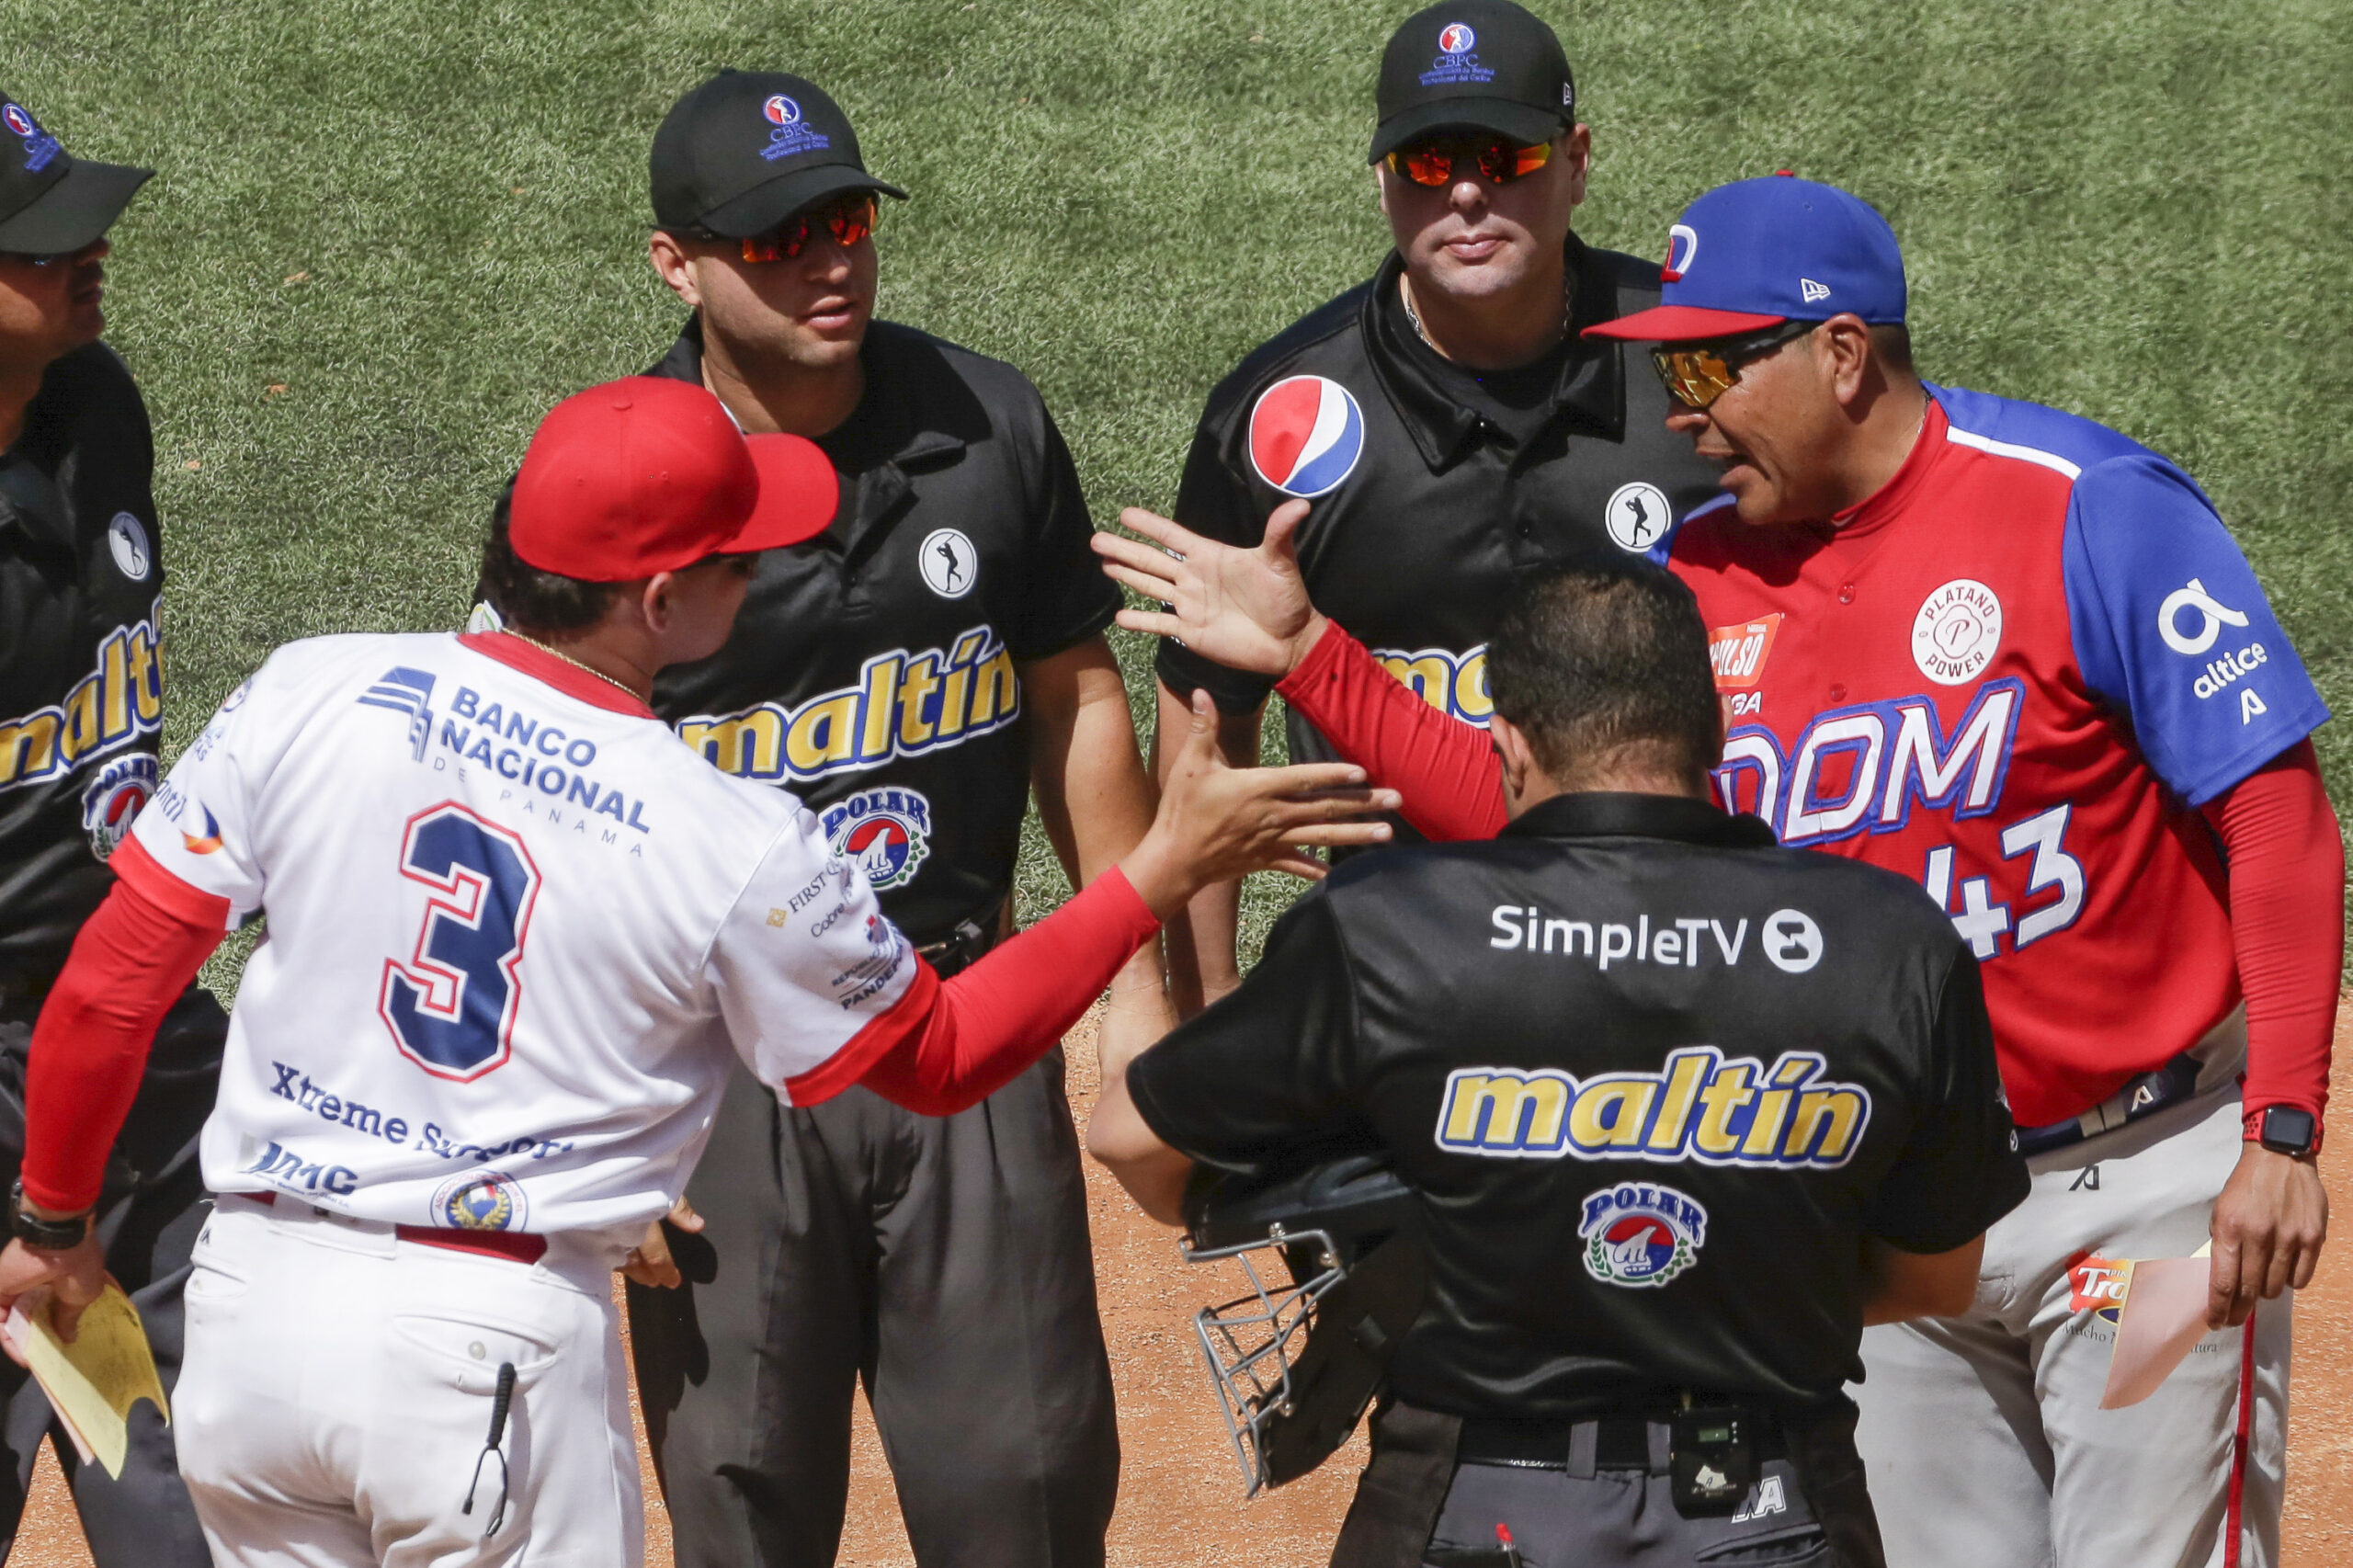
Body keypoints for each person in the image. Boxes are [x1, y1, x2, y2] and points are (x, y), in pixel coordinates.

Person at [1095, 175, 2341, 1568]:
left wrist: (2281, 1129)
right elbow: (1539, 797)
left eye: (1704, 362)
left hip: (2138, 1185)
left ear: (1841, 353)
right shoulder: (1704, 577)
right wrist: (1315, 653)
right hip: (1886, 1202)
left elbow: (2275, 818)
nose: (1679, 411)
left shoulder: (2087, 511)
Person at [0, 375, 1395, 1567]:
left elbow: (110, 987)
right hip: (477, 1352)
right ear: (662, 599)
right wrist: (1152, 875)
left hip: (254, 1322)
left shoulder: (314, 686)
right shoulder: (715, 831)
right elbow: (949, 1053)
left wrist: (58, 1224)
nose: (762, 568)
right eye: (743, 554)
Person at [1088, 561, 2029, 1568]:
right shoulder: (1889, 941)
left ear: (1509, 747)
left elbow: (1131, 1141)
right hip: (1774, 1503)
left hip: (1471, 1506)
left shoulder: (1389, 926)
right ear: (1711, 740)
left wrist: (1141, 968)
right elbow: (1933, 1275)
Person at [577, 67, 1171, 1568]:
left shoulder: (986, 423)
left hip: (962, 1019)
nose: (828, 257)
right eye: (779, 237)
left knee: (1027, 1498)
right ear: (678, 262)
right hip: (721, 1063)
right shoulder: (622, 476)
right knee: (745, 1509)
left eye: (843, 218)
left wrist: (1134, 996)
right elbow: (537, 796)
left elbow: (1078, 698)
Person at [1149, 0, 1720, 1013]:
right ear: (1382, 183)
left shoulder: (1691, 361)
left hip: (1681, 949)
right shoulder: (1279, 419)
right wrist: (1205, 996)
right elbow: (1206, 722)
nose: (1465, 191)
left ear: (1576, 160)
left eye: (1505, 156)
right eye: (1426, 162)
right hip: (1395, 965)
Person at [0, 85, 214, 1565]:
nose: (92, 250)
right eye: (41, 241)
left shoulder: (96, 405)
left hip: (133, 1040)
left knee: (190, 1505)